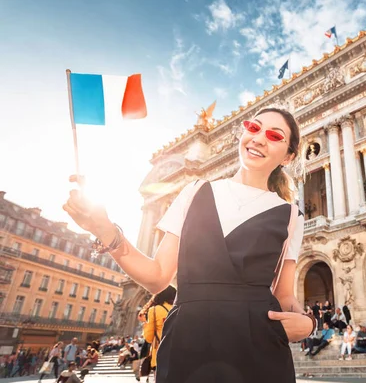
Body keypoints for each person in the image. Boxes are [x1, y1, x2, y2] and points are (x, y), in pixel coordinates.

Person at [63, 108, 313, 383]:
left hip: (259, 347)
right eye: (254, 128)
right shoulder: (194, 191)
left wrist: (309, 323)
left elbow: (285, 297)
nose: (259, 139)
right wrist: (105, 230)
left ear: (288, 155)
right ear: (243, 134)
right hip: (186, 343)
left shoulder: (290, 214)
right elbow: (158, 275)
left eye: (274, 136)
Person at [143, 285, 176, 373]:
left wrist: (145, 325)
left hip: (160, 354)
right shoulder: (178, 308)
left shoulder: (154, 310)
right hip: (178, 353)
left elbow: (148, 338)